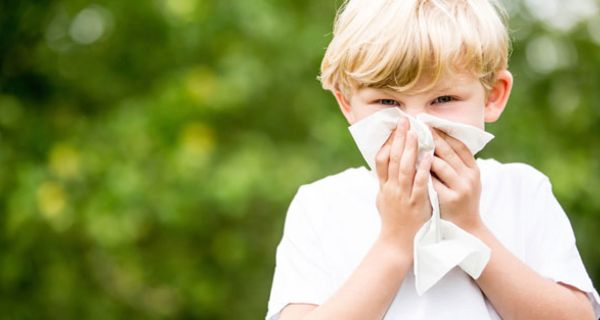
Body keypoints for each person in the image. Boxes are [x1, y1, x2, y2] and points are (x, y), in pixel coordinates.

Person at [266, 0, 600, 319]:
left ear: (492, 96)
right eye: (387, 102)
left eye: (443, 99)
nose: (418, 125)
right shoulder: (320, 205)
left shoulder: (523, 191)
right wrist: (395, 241)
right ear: (348, 105)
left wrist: (470, 229)